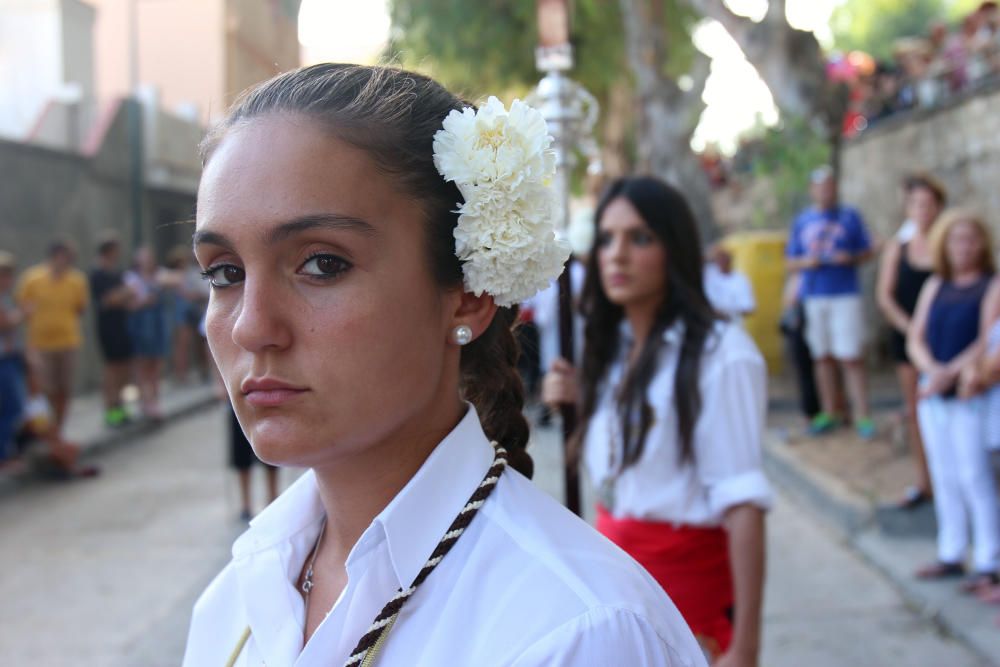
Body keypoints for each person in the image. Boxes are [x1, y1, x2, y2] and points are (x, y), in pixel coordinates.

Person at [182, 64, 706, 667]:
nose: (250, 326)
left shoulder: (578, 635)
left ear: (467, 296)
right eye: (225, 273)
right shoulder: (239, 596)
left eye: (323, 264)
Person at [544, 176, 771, 663]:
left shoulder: (721, 355)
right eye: (606, 239)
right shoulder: (614, 351)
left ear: (674, 247)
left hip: (687, 595)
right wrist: (582, 403)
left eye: (639, 238)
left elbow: (743, 504)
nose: (617, 254)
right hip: (617, 587)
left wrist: (746, 645)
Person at [907, 209, 1000, 591]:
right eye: (956, 239)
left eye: (971, 239)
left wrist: (950, 372)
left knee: (974, 475)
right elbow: (917, 335)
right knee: (944, 475)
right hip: (934, 393)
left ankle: (988, 558)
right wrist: (931, 368)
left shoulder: (992, 285)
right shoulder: (935, 285)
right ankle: (951, 550)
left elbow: (987, 338)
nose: (964, 247)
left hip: (969, 392)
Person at [785, 166, 876, 438]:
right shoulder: (802, 221)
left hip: (844, 293)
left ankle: (862, 414)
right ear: (812, 190)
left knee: (850, 355)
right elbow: (790, 261)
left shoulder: (850, 217)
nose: (826, 191)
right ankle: (830, 411)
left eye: (829, 186)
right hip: (814, 295)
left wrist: (851, 258)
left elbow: (868, 250)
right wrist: (807, 263)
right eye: (820, 186)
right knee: (821, 356)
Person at [875, 174, 946, 509]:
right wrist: (911, 329)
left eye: (928, 203)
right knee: (916, 410)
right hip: (908, 341)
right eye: (916, 203)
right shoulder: (897, 249)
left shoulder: (948, 245)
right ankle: (925, 480)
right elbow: (885, 298)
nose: (923, 210)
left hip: (945, 342)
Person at [15, 240, 89, 437]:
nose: (66, 261)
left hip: (68, 342)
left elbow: (80, 308)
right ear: (54, 256)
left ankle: (58, 430)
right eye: (64, 256)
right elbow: (22, 307)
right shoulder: (32, 279)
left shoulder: (77, 280)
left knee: (64, 389)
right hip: (40, 344)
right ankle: (45, 431)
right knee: (44, 390)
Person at [89, 233, 135, 427]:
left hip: (123, 324)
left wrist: (123, 295)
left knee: (125, 369)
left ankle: (122, 408)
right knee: (112, 369)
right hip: (107, 327)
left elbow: (130, 297)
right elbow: (109, 300)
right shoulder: (97, 273)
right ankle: (111, 412)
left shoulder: (118, 273)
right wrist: (123, 294)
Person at [124, 246, 175, 421]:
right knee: (142, 365)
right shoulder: (131, 279)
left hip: (157, 325)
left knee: (156, 364)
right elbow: (130, 306)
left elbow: (174, 279)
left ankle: (154, 400)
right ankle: (145, 401)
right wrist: (145, 301)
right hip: (142, 325)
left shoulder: (158, 275)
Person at [0, 251, 26, 466]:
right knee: (11, 407)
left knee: (14, 407)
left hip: (11, 357)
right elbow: (5, 323)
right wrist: (23, 314)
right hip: (3, 360)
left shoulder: (7, 297)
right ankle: (3, 455)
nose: (7, 279)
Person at [703, 244, 755, 325]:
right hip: (709, 325)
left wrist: (727, 312)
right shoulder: (709, 276)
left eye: (724, 259)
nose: (722, 262)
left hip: (732, 326)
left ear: (730, 260)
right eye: (718, 259)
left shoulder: (741, 280)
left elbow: (748, 308)